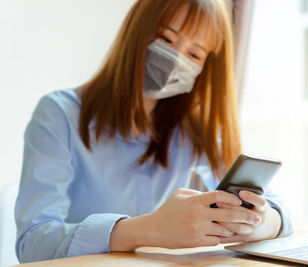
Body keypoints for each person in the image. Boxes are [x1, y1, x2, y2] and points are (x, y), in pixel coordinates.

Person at [15, 0, 292, 263]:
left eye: (194, 54)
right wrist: (150, 228)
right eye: (167, 39)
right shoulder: (59, 114)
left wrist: (259, 223)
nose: (175, 60)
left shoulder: (190, 129)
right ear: (137, 31)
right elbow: (32, 244)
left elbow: (278, 210)